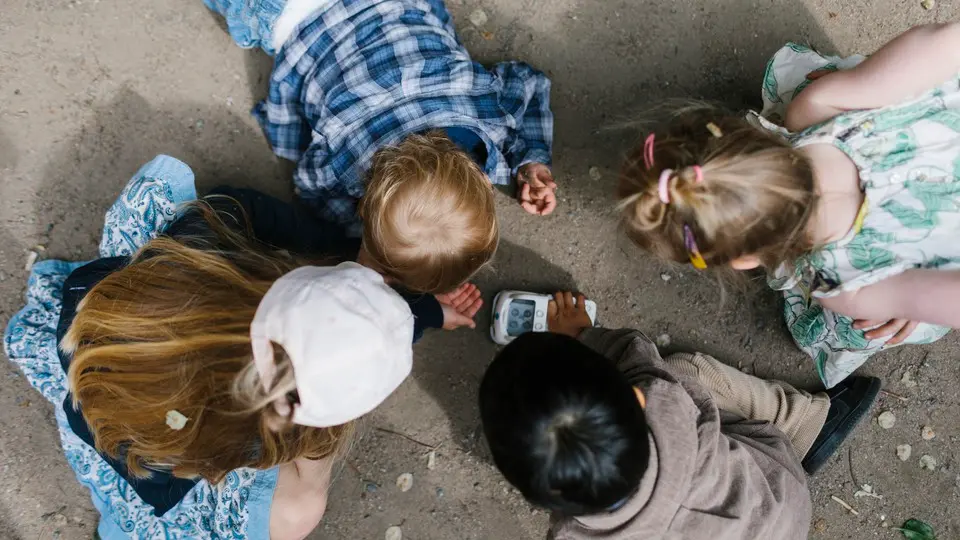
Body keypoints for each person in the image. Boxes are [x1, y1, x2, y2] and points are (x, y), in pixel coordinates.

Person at [3, 155, 479, 539]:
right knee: (302, 501)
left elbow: (232, 205)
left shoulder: (209, 259)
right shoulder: (240, 439)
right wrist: (429, 314)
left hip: (101, 361)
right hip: (141, 451)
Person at [617, 23, 960, 387]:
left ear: (744, 259)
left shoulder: (846, 287)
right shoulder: (814, 108)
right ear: (746, 132)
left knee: (867, 329)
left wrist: (914, 301)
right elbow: (941, 42)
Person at [203, 0, 558, 294]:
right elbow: (309, 179)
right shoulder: (347, 162)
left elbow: (529, 81)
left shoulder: (483, 112)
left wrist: (530, 161)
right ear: (364, 206)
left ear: (481, 180)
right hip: (291, 19)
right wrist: (347, 223)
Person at [479, 292, 880, 540]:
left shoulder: (571, 535)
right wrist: (584, 334)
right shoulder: (662, 404)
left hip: (784, 523)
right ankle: (803, 422)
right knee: (686, 370)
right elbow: (631, 349)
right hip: (781, 509)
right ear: (637, 400)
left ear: (536, 498)